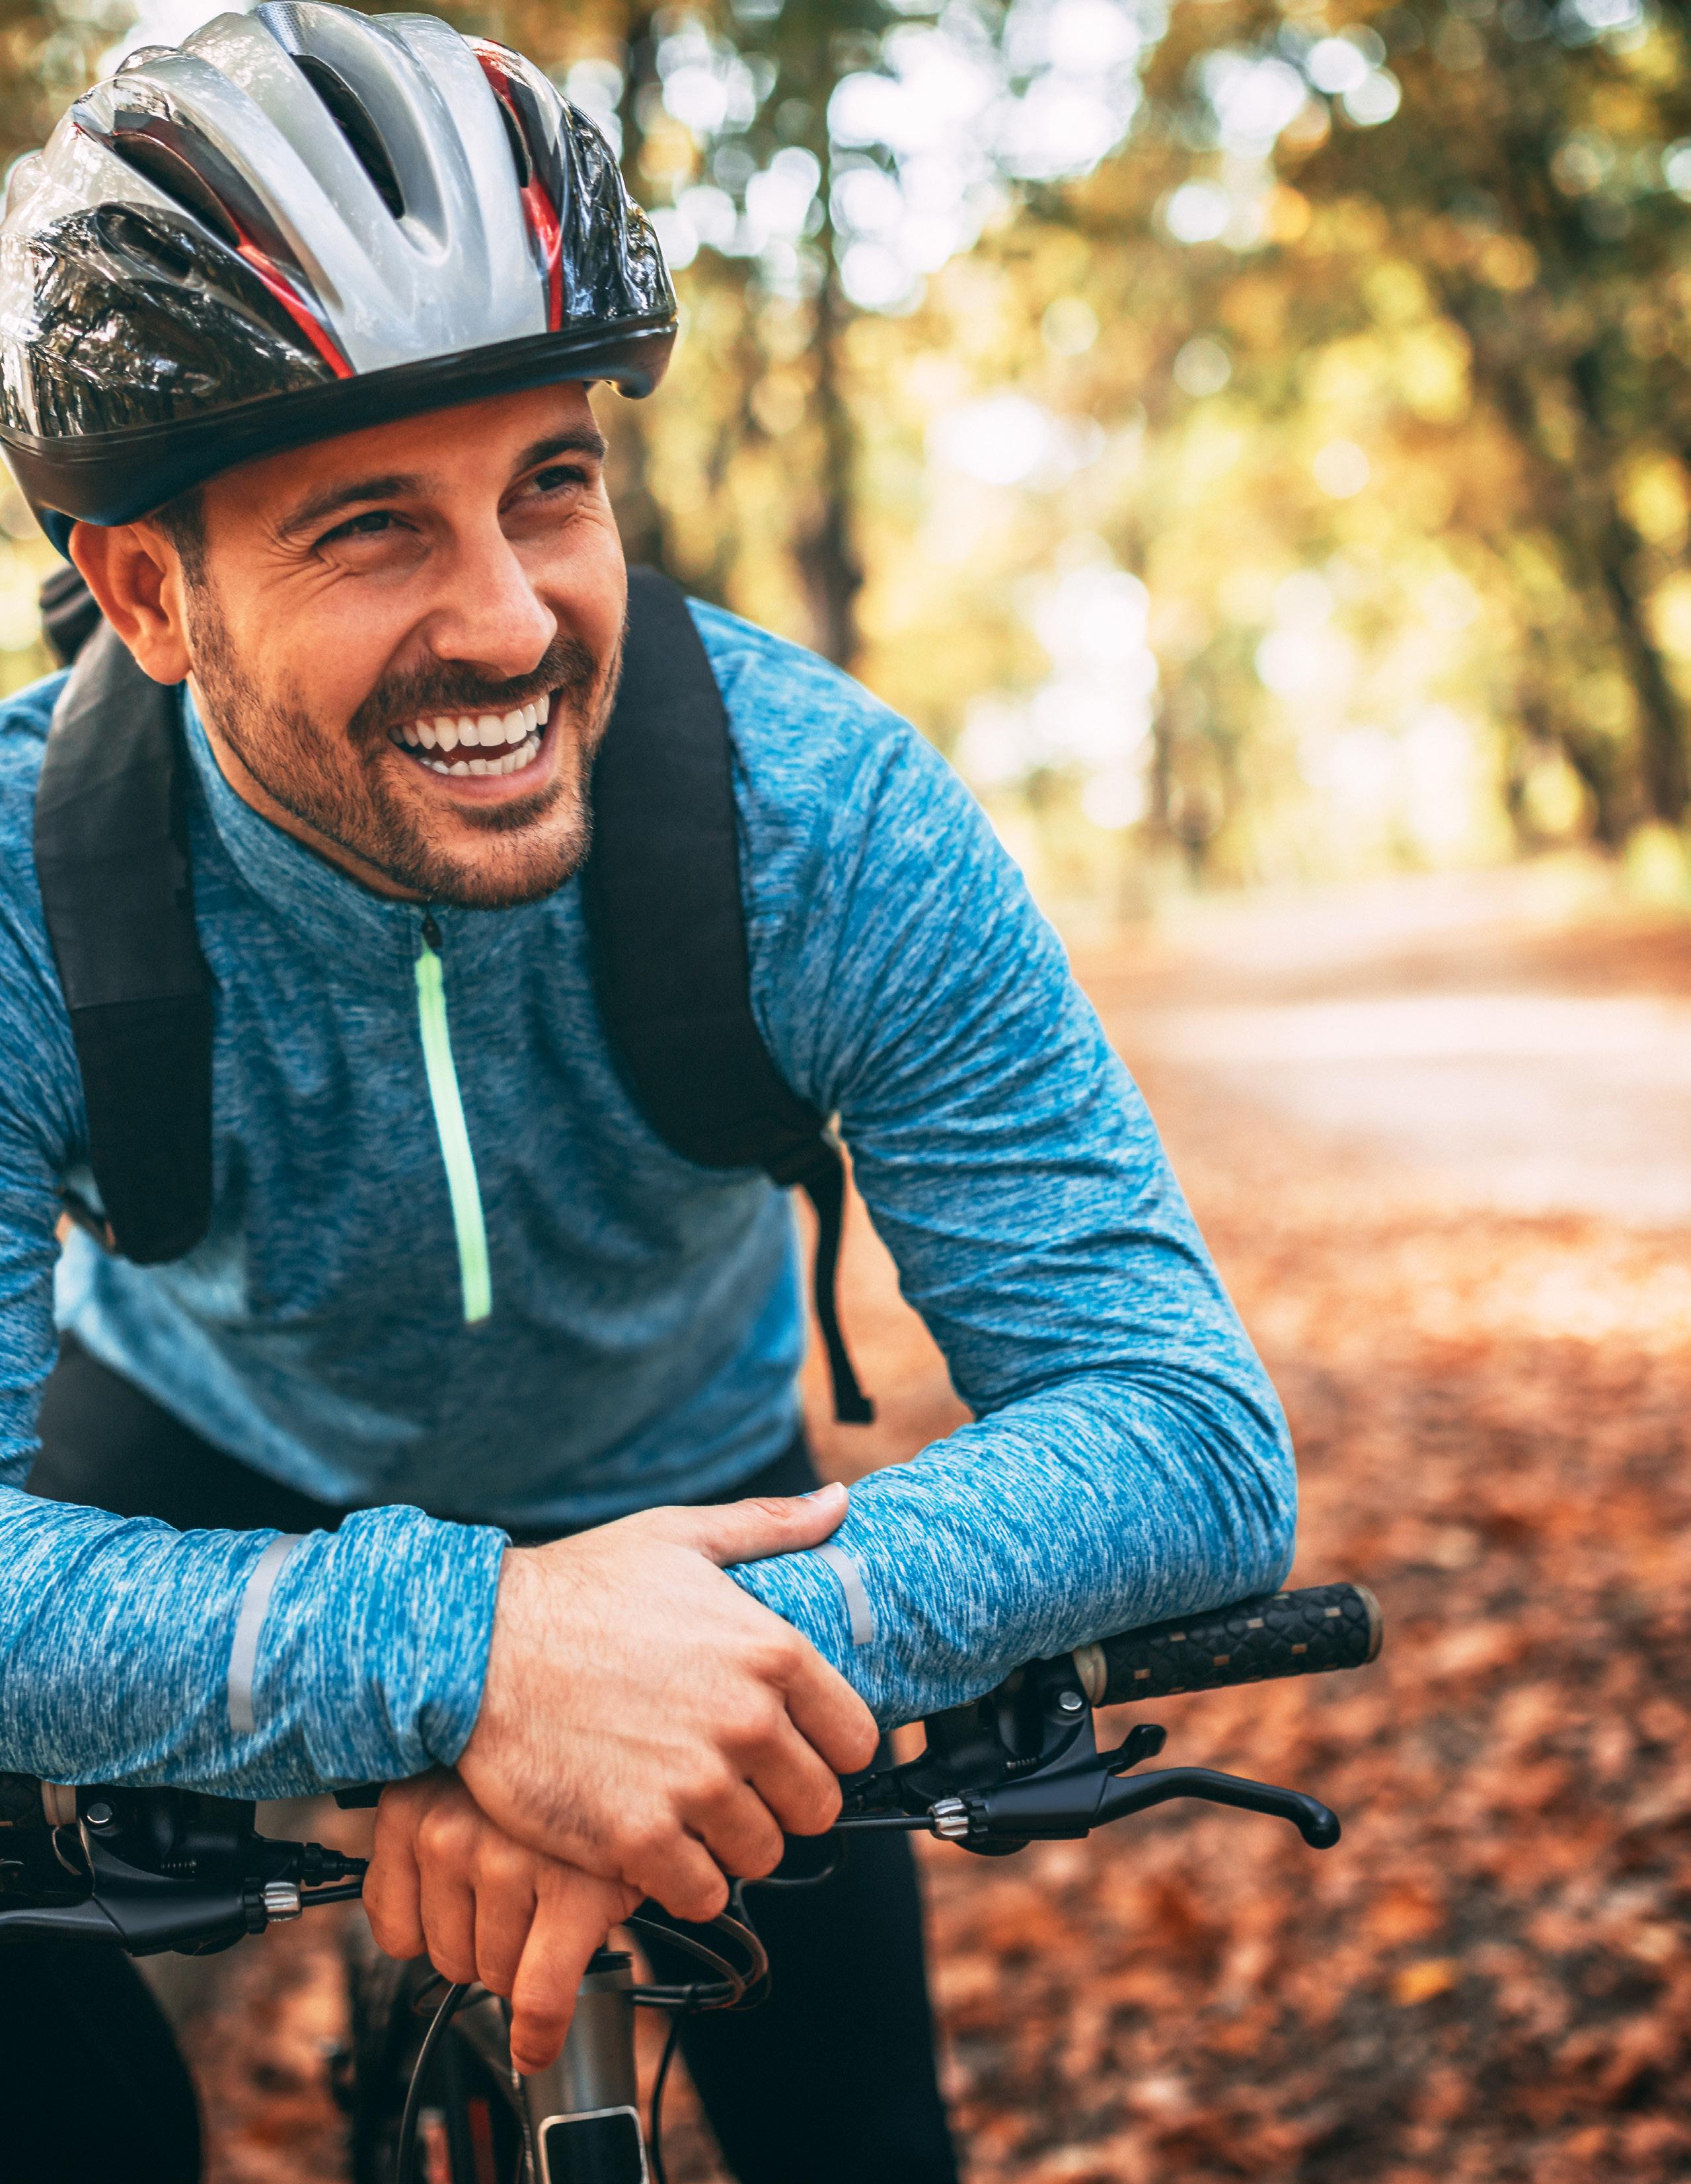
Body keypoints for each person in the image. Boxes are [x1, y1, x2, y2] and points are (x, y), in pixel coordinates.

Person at [0, 7, 1296, 2179]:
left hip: (702, 1489)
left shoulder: (822, 816)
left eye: (551, 482)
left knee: (856, 2143)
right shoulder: (23, 880)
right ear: (150, 590)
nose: (512, 621)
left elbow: (1184, 1425)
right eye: (369, 528)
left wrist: (664, 1661)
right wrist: (471, 1654)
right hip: (210, 1457)